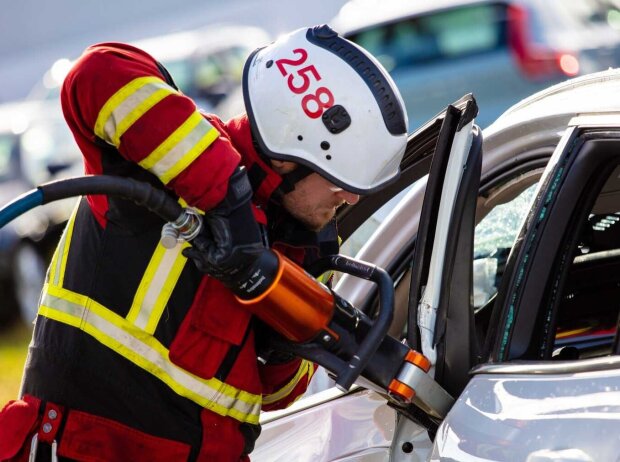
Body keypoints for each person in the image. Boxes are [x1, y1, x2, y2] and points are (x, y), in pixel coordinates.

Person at [0, 25, 408, 461]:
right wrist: (228, 201)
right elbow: (96, 73)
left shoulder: (300, 247)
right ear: (291, 154)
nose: (349, 198)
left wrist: (282, 342)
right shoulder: (159, 167)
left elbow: (277, 397)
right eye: (341, 180)